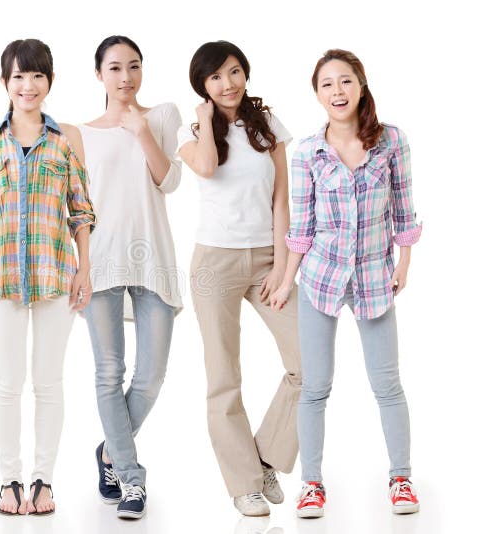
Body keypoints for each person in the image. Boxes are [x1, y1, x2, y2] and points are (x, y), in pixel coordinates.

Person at [271, 48, 422, 518]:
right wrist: (284, 282)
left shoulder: (391, 141)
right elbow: (302, 229)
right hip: (321, 278)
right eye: (327, 85)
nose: (337, 91)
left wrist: (404, 263)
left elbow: (403, 206)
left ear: (361, 84)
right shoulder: (307, 153)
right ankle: (311, 485)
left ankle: (401, 479)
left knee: (388, 385)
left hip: (376, 278)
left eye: (345, 81)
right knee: (315, 387)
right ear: (317, 94)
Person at [0, 38, 95, 516]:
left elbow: (81, 209)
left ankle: (43, 481)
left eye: (37, 75)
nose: (28, 85)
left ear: (49, 82)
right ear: (4, 83)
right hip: (1, 277)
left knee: (49, 382)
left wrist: (86, 269)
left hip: (56, 273)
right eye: (18, 76)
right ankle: (10, 481)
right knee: (6, 383)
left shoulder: (66, 138)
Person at [179, 40, 301, 517]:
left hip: (267, 258)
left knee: (308, 364)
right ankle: (243, 484)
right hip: (214, 264)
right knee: (223, 377)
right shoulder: (190, 136)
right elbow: (207, 166)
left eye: (233, 72)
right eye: (215, 77)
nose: (227, 83)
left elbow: (281, 201)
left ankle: (264, 456)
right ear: (203, 87)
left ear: (245, 73)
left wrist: (282, 268)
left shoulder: (269, 126)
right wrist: (207, 120)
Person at [77, 35, 181, 520]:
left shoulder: (160, 117)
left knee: (152, 377)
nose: (125, 76)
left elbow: (169, 180)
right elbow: (75, 208)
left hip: (153, 259)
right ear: (99, 74)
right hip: (99, 264)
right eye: (115, 68)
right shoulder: (79, 133)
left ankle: (109, 453)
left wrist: (141, 132)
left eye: (134, 66)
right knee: (107, 373)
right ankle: (132, 479)